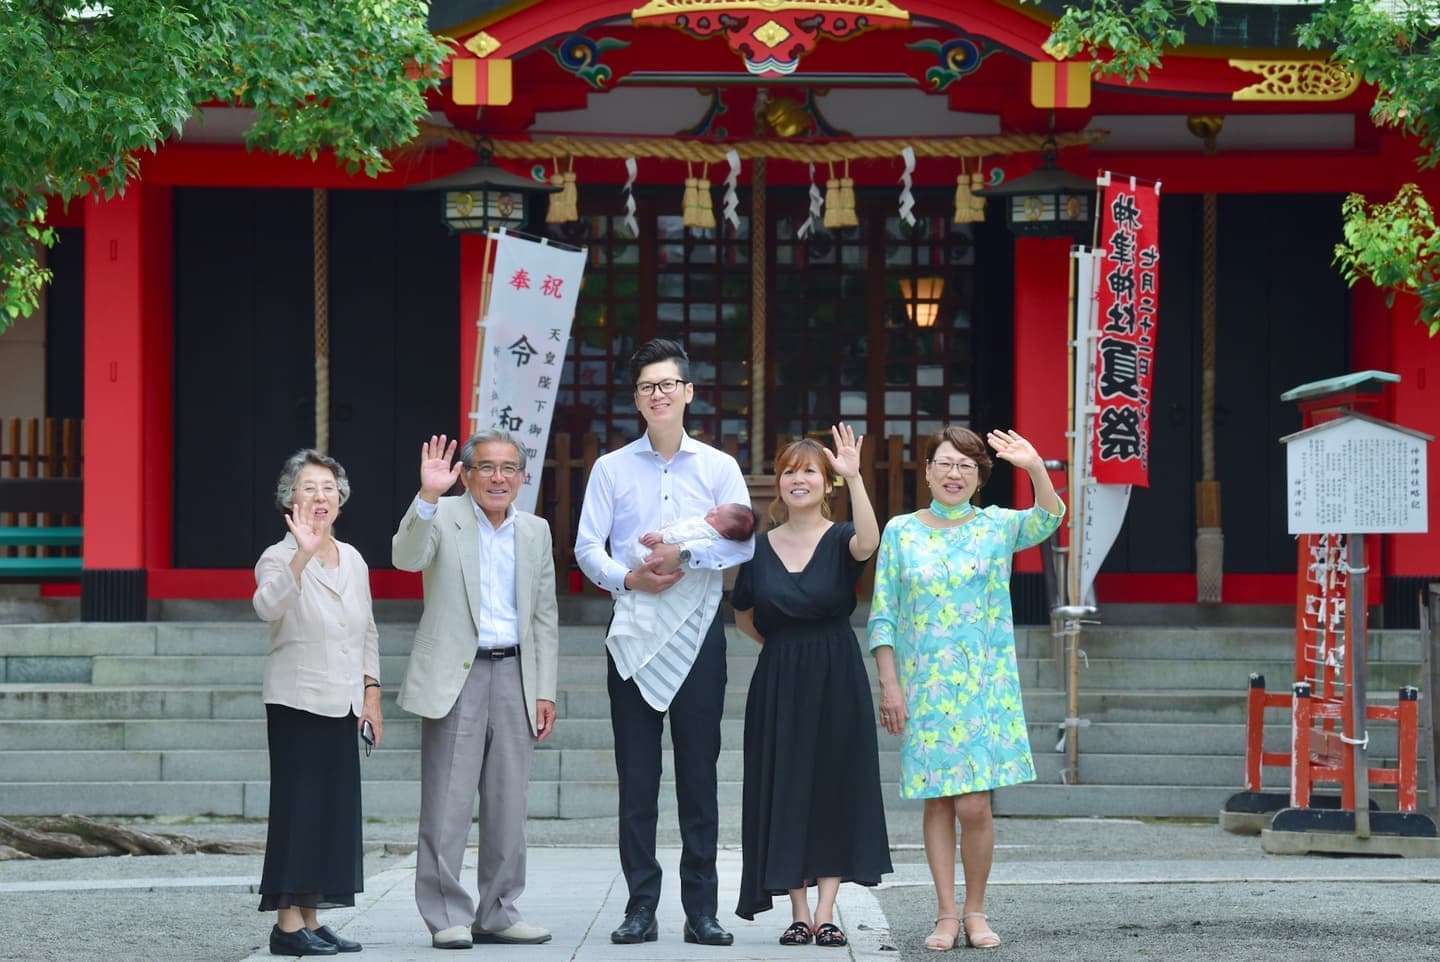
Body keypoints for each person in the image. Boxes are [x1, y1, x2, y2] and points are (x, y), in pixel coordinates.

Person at [574, 337, 754, 947]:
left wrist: (685, 552)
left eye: (668, 384)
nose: (659, 394)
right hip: (632, 629)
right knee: (638, 777)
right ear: (637, 398)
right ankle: (640, 907)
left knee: (699, 775)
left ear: (688, 393)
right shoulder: (610, 468)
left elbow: (742, 544)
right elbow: (585, 548)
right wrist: (630, 577)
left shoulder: (718, 467)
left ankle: (702, 909)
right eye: (648, 386)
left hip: (699, 632)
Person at [868, 426, 1064, 952]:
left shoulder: (996, 527)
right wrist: (890, 686)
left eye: (966, 466)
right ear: (928, 469)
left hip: (982, 687)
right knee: (937, 803)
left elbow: (1050, 517)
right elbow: (883, 614)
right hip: (925, 686)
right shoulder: (901, 532)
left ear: (979, 478)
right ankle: (946, 914)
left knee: (974, 805)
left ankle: (976, 909)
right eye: (945, 463)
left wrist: (1035, 467)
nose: (954, 474)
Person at [392, 429, 560, 951]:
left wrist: (544, 689)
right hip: (456, 676)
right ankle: (446, 914)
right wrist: (427, 496)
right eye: (485, 467)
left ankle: (499, 910)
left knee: (510, 801)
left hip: (515, 673)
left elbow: (544, 616)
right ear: (466, 473)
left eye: (508, 468)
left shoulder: (534, 531)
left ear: (523, 476)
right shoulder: (442, 516)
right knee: (447, 800)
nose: (497, 477)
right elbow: (405, 557)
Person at [732, 425, 893, 948]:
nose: (796, 479)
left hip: (837, 674)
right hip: (779, 678)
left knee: (832, 785)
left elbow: (871, 542)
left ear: (827, 484)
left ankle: (827, 911)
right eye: (788, 471)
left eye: (809, 471)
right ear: (777, 483)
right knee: (786, 786)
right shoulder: (756, 548)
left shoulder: (843, 536)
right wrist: (785, 649)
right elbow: (745, 618)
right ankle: (797, 912)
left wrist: (856, 476)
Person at [254, 449, 380, 957]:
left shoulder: (352, 557)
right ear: (290, 498)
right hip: (297, 702)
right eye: (309, 488)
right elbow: (266, 608)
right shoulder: (276, 555)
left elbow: (367, 628)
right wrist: (301, 555)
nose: (320, 496)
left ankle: (309, 916)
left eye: (328, 487)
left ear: (340, 499)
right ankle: (287, 927)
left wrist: (372, 694)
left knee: (329, 813)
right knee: (296, 812)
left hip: (344, 702)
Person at [607, 501, 759, 711]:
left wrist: (665, 539)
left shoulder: (707, 529)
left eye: (716, 515)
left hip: (689, 608)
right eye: (716, 509)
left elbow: (741, 548)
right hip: (636, 582)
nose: (712, 510)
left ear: (723, 531)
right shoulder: (610, 468)